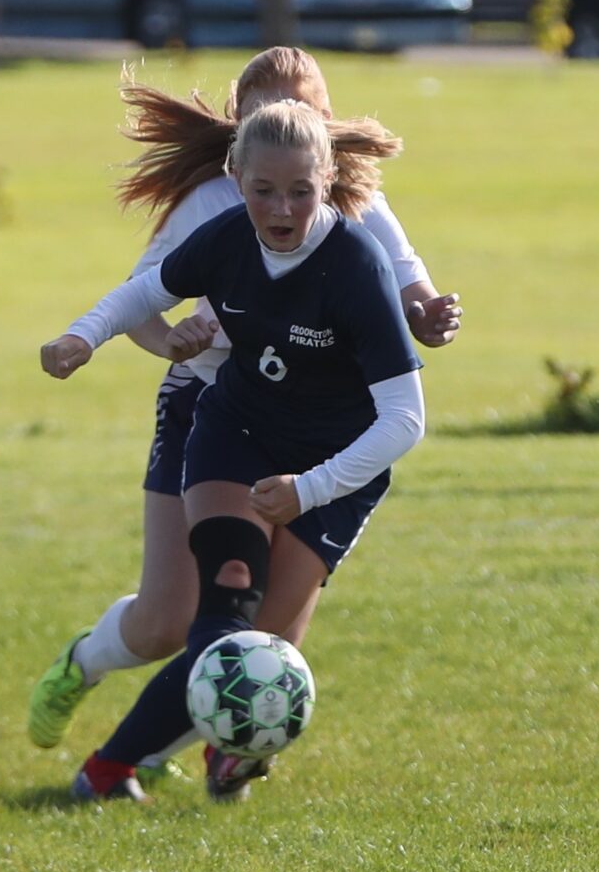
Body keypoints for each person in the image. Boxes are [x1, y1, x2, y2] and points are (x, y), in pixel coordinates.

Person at [28, 47, 461, 779]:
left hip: (328, 430)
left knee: (260, 635)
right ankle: (92, 678)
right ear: (237, 140)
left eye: (309, 111)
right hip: (213, 401)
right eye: (264, 115)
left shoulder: (353, 223)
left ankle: (206, 746)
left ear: (326, 134)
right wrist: (160, 340)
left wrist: (426, 315)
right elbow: (144, 300)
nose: (281, 204)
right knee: (174, 618)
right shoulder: (218, 208)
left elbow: (407, 312)